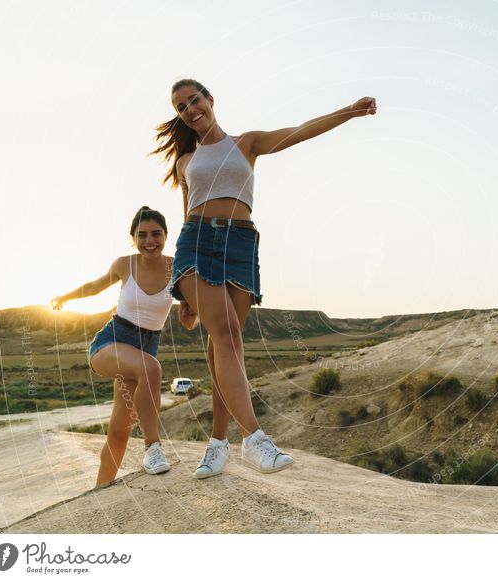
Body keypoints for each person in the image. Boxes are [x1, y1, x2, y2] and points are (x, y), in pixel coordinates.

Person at [153, 78, 376, 476]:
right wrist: (186, 297)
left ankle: (218, 444)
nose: (190, 110)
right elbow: (187, 215)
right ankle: (255, 439)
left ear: (210, 99)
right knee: (225, 336)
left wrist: (348, 112)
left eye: (194, 100)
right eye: (181, 107)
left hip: (240, 243)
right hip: (198, 241)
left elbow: (298, 132)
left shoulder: (247, 143)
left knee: (227, 348)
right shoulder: (185, 162)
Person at [51, 207, 175, 486]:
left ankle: (100, 488)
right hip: (112, 342)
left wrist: (192, 313)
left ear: (166, 235)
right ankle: (152, 449)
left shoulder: (175, 267)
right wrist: (65, 297)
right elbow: (95, 286)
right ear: (133, 238)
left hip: (145, 349)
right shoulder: (124, 264)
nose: (150, 241)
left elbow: (193, 306)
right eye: (142, 235)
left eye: (156, 234)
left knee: (119, 431)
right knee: (151, 368)